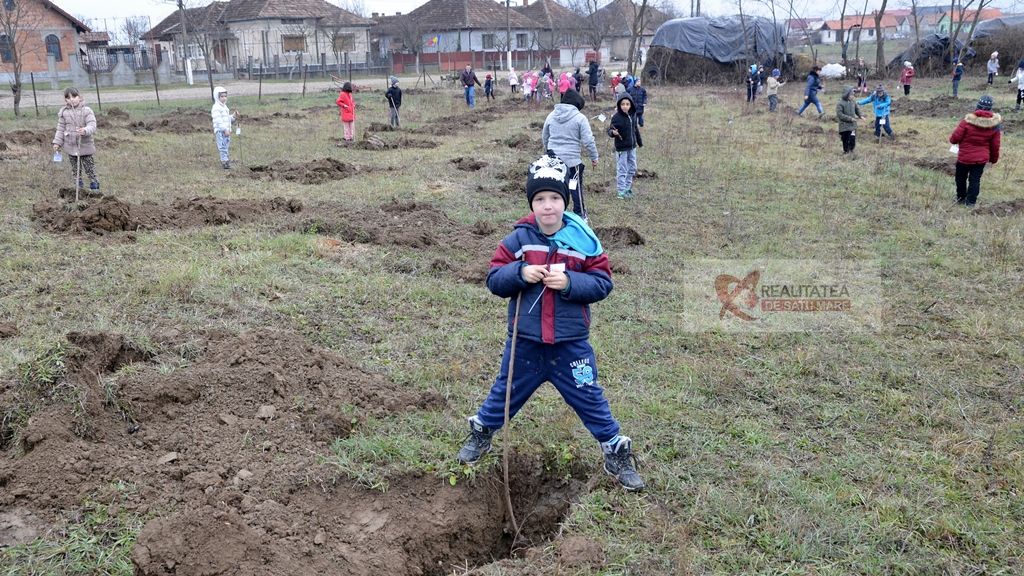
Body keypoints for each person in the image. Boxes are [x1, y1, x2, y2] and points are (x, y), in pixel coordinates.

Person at [455, 151, 645, 493]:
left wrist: (571, 283)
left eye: (555, 198)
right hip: (525, 342)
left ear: (565, 202)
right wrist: (520, 272)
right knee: (505, 392)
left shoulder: (584, 243)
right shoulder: (517, 241)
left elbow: (603, 283)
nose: (547, 206)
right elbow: (494, 280)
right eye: (539, 198)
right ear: (532, 203)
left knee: (589, 395)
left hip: (571, 345)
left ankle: (614, 450)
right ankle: (481, 431)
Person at [542, 88, 598, 220]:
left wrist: (547, 153)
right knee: (575, 188)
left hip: (553, 160)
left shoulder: (551, 115)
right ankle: (580, 215)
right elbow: (588, 140)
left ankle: (556, 214)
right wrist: (594, 157)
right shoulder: (580, 118)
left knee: (556, 188)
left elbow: (545, 136)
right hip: (572, 163)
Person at [949, 95, 1001, 207]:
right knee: (975, 180)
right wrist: (993, 159)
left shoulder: (967, 121)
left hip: (964, 158)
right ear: (990, 108)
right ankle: (971, 202)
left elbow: (954, 139)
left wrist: (955, 141)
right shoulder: (995, 125)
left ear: (977, 106)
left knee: (960, 178)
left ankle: (961, 198)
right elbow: (995, 145)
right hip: (980, 159)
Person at [52, 87, 101, 190]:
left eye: (74, 96)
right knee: (75, 169)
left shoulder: (86, 110)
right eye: (68, 98)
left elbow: (92, 125)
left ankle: (94, 187)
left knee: (90, 168)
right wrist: (57, 143)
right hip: (71, 147)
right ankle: (78, 188)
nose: (72, 99)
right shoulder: (64, 113)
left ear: (80, 97)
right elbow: (60, 129)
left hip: (85, 146)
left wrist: (85, 130)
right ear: (65, 100)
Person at [607, 92, 642, 199]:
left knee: (632, 168)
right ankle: (621, 191)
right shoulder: (616, 117)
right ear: (619, 105)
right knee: (622, 169)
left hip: (632, 147)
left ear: (631, 105)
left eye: (627, 104)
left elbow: (635, 129)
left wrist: (639, 142)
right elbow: (609, 130)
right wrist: (613, 133)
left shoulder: (633, 115)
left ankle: (627, 188)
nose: (625, 106)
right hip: (621, 148)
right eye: (623, 104)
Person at [208, 86, 235, 169]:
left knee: (226, 146)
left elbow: (227, 119)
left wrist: (233, 117)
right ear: (217, 97)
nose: (224, 98)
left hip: (226, 131)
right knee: (222, 147)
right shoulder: (216, 107)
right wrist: (225, 129)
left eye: (225, 96)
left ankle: (226, 160)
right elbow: (218, 121)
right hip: (221, 131)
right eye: (222, 96)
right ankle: (225, 162)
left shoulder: (224, 107)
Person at [835, 86, 863, 155]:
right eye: (851, 95)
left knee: (852, 139)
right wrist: (850, 119)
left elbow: (857, 109)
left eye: (853, 95)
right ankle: (846, 151)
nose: (852, 96)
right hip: (844, 126)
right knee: (845, 139)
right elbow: (840, 115)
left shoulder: (853, 102)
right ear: (846, 94)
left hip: (852, 125)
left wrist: (860, 115)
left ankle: (851, 150)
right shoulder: (840, 104)